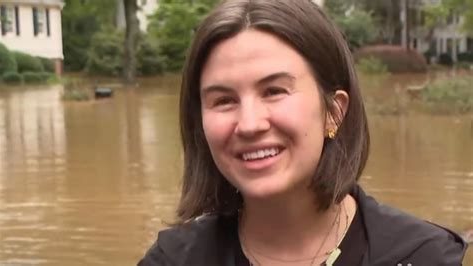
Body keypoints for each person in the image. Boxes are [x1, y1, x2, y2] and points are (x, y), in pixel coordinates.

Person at [138, 0, 468, 265]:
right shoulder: (174, 260)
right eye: (223, 100)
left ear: (334, 111)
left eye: (274, 91)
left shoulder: (422, 257)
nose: (250, 124)